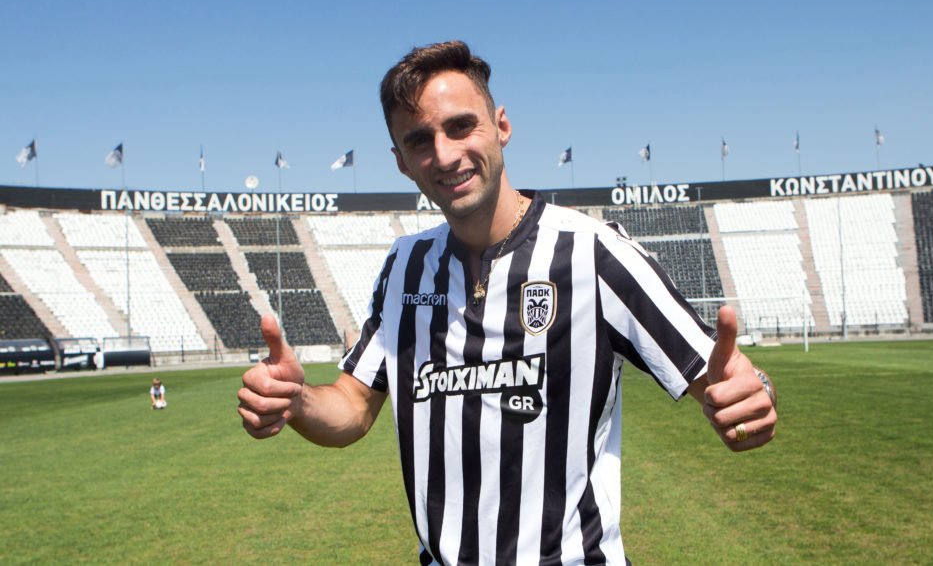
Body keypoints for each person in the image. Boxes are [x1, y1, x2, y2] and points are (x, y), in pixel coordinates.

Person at [238, 40, 778, 565]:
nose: (445, 154)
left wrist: (753, 398)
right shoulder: (405, 266)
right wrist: (297, 400)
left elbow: (723, 378)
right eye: (420, 140)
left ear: (501, 126)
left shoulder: (592, 254)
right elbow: (354, 408)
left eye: (460, 126)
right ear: (401, 162)